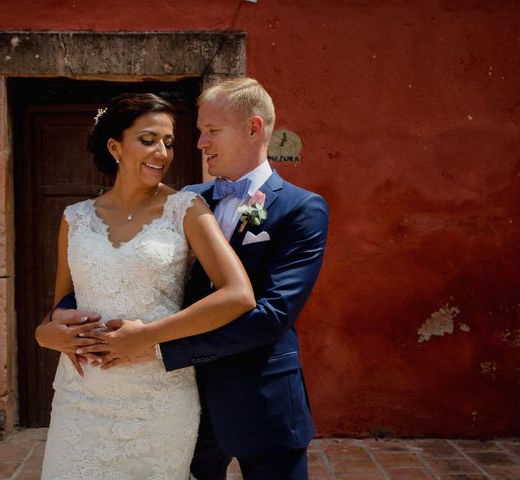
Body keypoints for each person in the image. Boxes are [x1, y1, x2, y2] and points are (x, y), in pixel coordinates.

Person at [47, 78, 329, 479]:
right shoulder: (187, 200)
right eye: (198, 133)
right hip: (186, 405)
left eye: (211, 131)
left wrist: (159, 347)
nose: (199, 143)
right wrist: (55, 326)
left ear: (253, 128)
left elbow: (270, 315)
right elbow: (124, 272)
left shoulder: (302, 208)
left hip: (260, 402)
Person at [36, 92, 255, 480]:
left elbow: (238, 295)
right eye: (149, 140)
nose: (163, 153)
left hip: (159, 397)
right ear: (115, 146)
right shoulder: (75, 219)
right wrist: (46, 334)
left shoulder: (186, 210)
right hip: (81, 396)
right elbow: (60, 308)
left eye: (168, 143)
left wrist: (148, 337)